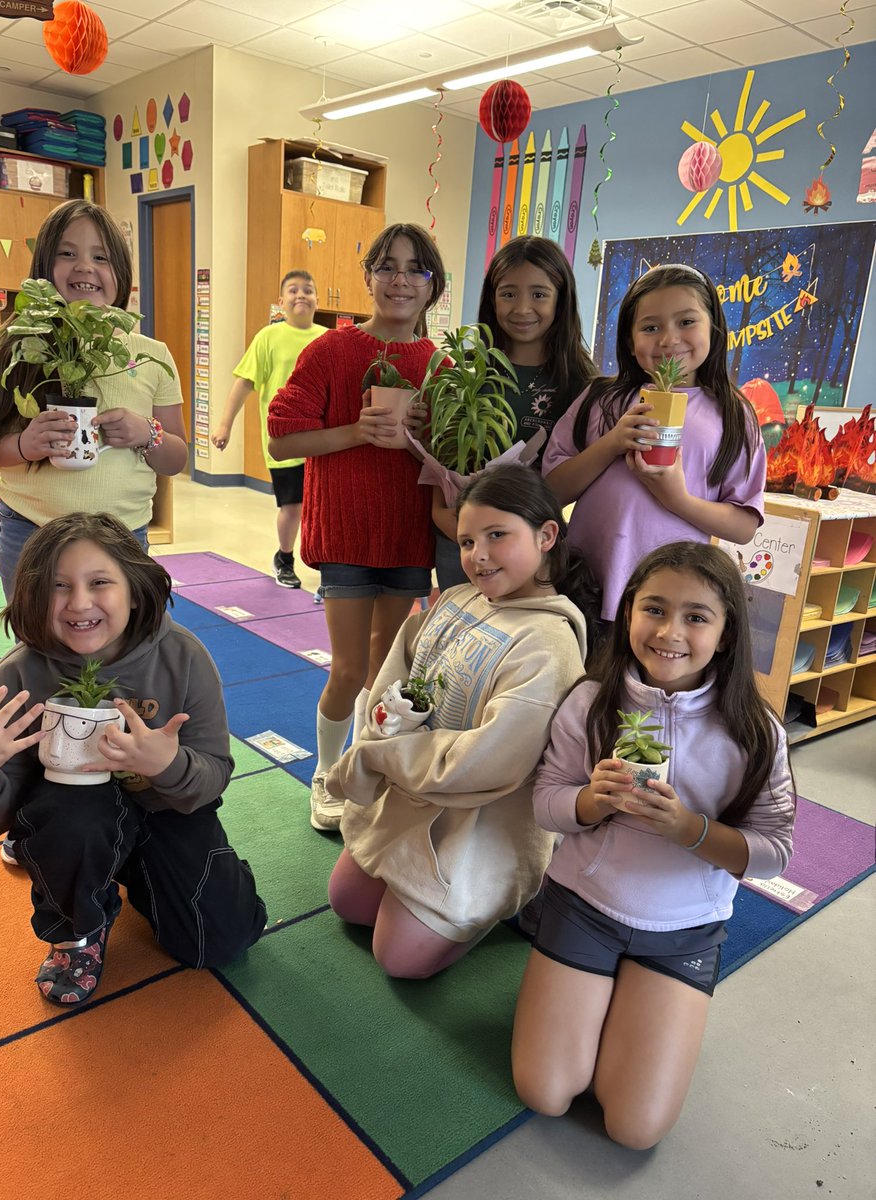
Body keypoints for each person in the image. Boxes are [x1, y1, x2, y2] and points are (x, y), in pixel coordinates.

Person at [511, 541, 794, 1148]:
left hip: (684, 931)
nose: (670, 631)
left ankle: (630, 1012)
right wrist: (590, 802)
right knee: (545, 1091)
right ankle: (592, 1006)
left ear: (725, 634)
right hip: (582, 907)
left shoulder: (755, 730)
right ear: (629, 610)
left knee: (634, 1127)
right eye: (654, 608)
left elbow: (775, 851)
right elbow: (545, 801)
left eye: (697, 617)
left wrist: (691, 830)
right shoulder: (591, 702)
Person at [0, 512, 267, 1007]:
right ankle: (76, 930)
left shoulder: (183, 657)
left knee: (216, 941)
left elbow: (213, 776)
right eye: (58, 586)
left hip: (165, 811)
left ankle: (130, 867)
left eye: (100, 583)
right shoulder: (20, 676)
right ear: (30, 595)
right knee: (69, 823)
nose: (79, 602)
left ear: (134, 589)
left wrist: (167, 765)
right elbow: (1, 818)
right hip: (73, 818)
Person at [324, 464, 589, 979]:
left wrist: (378, 756)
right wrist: (384, 724)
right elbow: (398, 666)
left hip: (476, 823)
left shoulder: (550, 646)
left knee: (398, 960)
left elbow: (486, 763)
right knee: (348, 903)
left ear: (546, 535)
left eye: (497, 536)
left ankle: (490, 904)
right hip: (407, 796)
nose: (479, 556)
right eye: (466, 541)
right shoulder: (458, 598)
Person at [268, 223, 446, 831]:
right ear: (368, 276)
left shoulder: (437, 364)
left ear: (433, 287)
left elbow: (449, 459)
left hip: (407, 534)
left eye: (416, 269)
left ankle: (368, 771)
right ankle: (326, 772)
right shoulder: (332, 350)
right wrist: (356, 431)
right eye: (388, 267)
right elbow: (283, 433)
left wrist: (421, 433)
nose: (400, 280)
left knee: (385, 670)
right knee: (347, 668)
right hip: (344, 531)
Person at [0, 199, 187, 600]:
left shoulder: (152, 353)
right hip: (31, 530)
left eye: (101, 256)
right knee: (39, 647)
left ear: (121, 273)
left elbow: (176, 458)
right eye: (67, 253)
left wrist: (147, 432)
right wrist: (24, 445)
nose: (85, 266)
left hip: (122, 537)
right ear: (43, 268)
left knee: (121, 652)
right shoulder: (12, 345)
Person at [542, 262, 766, 620]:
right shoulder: (602, 399)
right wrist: (612, 443)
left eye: (687, 322)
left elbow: (744, 526)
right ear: (630, 341)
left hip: (669, 601)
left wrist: (676, 499)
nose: (668, 339)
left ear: (714, 329)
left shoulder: (733, 415)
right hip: (584, 584)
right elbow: (551, 492)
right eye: (650, 327)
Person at [433, 236, 596, 590]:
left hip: (533, 553)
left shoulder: (583, 384)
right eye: (508, 293)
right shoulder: (467, 374)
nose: (522, 308)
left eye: (539, 294)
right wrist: (469, 539)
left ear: (561, 299)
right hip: (461, 549)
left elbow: (577, 480)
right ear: (492, 299)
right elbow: (441, 479)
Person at [212, 270, 327, 588]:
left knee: (322, 507)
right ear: (281, 302)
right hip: (285, 440)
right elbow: (245, 381)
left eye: (308, 289)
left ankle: (328, 564)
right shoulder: (268, 337)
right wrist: (225, 424)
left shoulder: (327, 338)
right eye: (293, 290)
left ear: (318, 299)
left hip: (322, 439)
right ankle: (285, 557)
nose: (301, 295)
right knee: (292, 506)